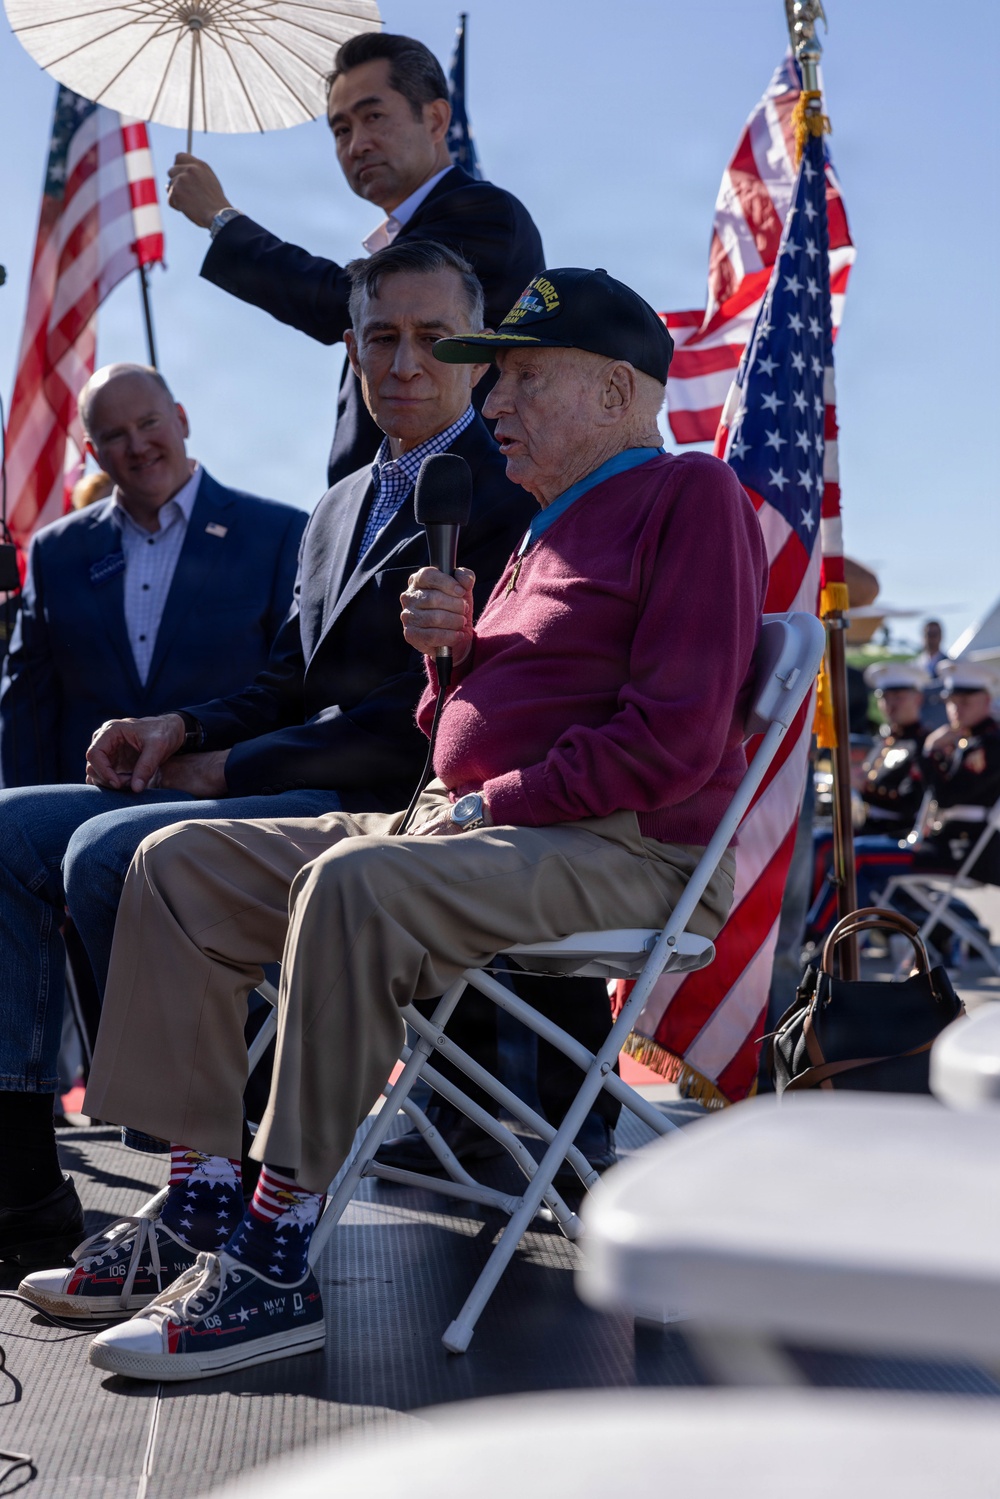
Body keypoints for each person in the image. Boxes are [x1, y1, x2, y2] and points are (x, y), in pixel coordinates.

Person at [22, 267, 767, 1383]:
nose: (495, 403)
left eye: (520, 376)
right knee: (171, 861)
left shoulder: (688, 498)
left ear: (618, 390)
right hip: (473, 830)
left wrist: (483, 802)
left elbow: (671, 742)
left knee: (355, 880)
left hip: (620, 846)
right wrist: (448, 665)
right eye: (496, 381)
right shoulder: (538, 530)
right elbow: (468, 724)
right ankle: (198, 1203)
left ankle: (275, 1260)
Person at [0, 241, 536, 1272]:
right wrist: (184, 731)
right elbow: (284, 679)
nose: (403, 364)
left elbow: (420, 720)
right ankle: (21, 1170)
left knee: (110, 852)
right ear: (349, 348)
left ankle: (206, 1174)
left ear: (475, 355)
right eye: (380, 338)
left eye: (432, 339)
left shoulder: (514, 494)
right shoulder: (341, 500)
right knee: (12, 826)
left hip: (398, 805)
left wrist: (224, 771)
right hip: (286, 769)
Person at [167, 31, 544, 487]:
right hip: (384, 502)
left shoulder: (483, 213)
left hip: (453, 512)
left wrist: (220, 218)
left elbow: (336, 300)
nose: (357, 143)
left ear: (436, 119)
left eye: (374, 116)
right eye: (341, 129)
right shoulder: (414, 229)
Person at [0, 365, 305, 787]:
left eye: (148, 423)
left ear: (181, 419)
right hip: (80, 815)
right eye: (114, 435)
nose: (138, 445)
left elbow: (293, 689)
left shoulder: (279, 532)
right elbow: (27, 706)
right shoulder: (55, 550)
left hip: (224, 812)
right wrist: (25, 815)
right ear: (93, 453)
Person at [806, 661, 1000, 942]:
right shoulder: (964, 740)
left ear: (986, 700)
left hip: (962, 851)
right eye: (952, 701)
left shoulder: (988, 745)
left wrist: (930, 752)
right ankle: (838, 941)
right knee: (837, 847)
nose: (956, 708)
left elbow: (942, 798)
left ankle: (818, 934)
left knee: (854, 855)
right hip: (941, 843)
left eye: (965, 700)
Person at [917, 619, 952, 731]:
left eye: (935, 634)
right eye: (928, 634)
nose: (931, 638)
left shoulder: (950, 665)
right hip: (920, 725)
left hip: (941, 723)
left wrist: (920, 690)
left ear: (941, 637)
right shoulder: (915, 665)